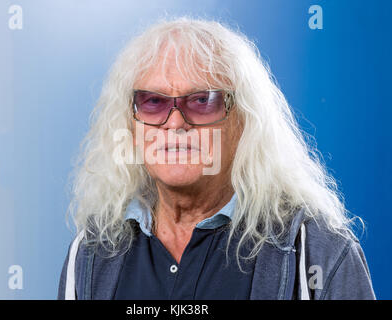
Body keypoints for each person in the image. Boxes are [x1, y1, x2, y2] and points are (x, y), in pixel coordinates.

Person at [58, 17, 375, 300]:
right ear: (131, 124)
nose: (175, 123)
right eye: (153, 101)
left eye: (201, 100)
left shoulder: (314, 252)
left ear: (243, 121)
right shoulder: (90, 254)